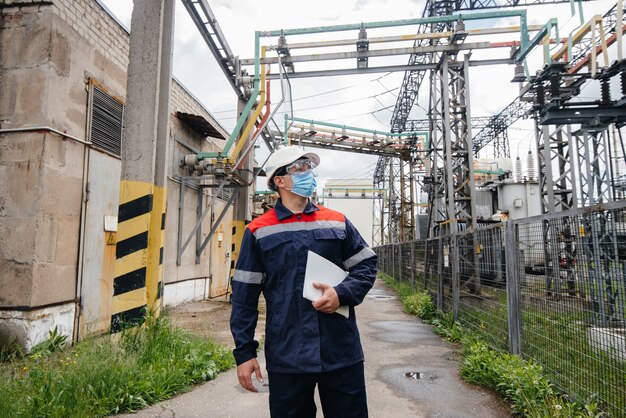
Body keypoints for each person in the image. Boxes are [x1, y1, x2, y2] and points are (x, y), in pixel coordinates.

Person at [230, 146, 377, 418]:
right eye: (299, 167)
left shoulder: (336, 222)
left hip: (340, 351)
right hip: (288, 355)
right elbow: (243, 298)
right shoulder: (258, 231)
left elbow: (366, 265)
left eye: (310, 167)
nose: (308, 172)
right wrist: (245, 353)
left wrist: (342, 294)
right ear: (280, 180)